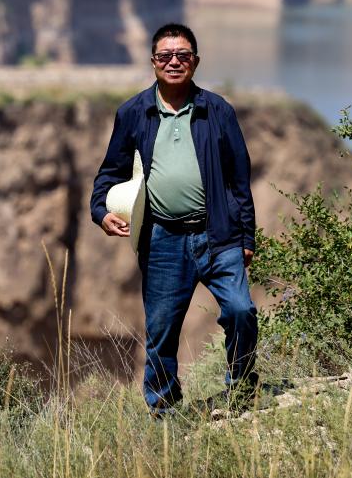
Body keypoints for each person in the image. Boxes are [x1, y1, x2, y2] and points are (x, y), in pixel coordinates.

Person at [90, 22, 258, 414]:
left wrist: (246, 237)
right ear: (153, 62)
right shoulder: (133, 113)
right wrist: (101, 212)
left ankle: (240, 393)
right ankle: (164, 413)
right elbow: (109, 174)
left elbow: (239, 179)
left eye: (182, 55)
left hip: (219, 236)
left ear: (195, 62)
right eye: (165, 56)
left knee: (241, 311)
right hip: (162, 240)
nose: (174, 62)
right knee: (161, 333)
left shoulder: (218, 111)